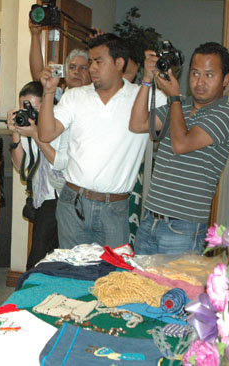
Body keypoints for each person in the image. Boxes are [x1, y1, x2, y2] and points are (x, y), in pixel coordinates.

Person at [37, 33, 166, 249]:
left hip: (114, 208)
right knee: (72, 273)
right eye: (91, 62)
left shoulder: (145, 96)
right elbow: (46, 134)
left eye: (98, 62)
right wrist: (49, 90)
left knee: (111, 277)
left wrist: (154, 76)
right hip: (73, 202)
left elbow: (176, 118)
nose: (92, 68)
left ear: (119, 63)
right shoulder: (76, 96)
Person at [129, 42, 229, 255]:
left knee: (176, 289)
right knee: (140, 287)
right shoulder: (182, 106)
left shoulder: (227, 114)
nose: (200, 82)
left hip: (183, 228)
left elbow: (181, 144)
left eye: (209, 75)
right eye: (195, 74)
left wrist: (173, 97)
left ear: (226, 79)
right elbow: (137, 124)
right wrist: (146, 80)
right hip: (150, 219)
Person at [8, 81, 62, 269]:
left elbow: (58, 161)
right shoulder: (29, 128)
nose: (29, 113)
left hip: (59, 199)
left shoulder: (59, 126)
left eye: (33, 108)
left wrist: (35, 134)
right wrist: (16, 132)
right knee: (40, 258)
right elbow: (20, 166)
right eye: (24, 107)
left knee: (38, 260)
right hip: (41, 200)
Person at [29, 21, 91, 90]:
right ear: (65, 74)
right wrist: (35, 34)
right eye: (72, 67)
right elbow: (38, 78)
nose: (76, 71)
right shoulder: (56, 95)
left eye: (83, 68)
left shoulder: (97, 97)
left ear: (91, 74)